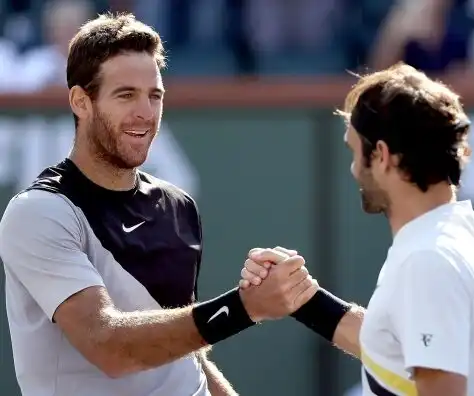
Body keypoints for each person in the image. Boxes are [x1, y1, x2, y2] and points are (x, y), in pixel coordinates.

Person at [0, 13, 319, 396]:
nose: (145, 113)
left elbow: (186, 357)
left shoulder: (178, 205)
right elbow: (108, 346)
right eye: (125, 95)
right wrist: (243, 308)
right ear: (80, 102)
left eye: (155, 96)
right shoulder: (37, 213)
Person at [240, 63, 474, 395]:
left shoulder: (427, 261)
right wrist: (306, 300)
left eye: (354, 151)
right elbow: (398, 351)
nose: (352, 169)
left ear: (382, 155)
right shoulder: (471, 238)